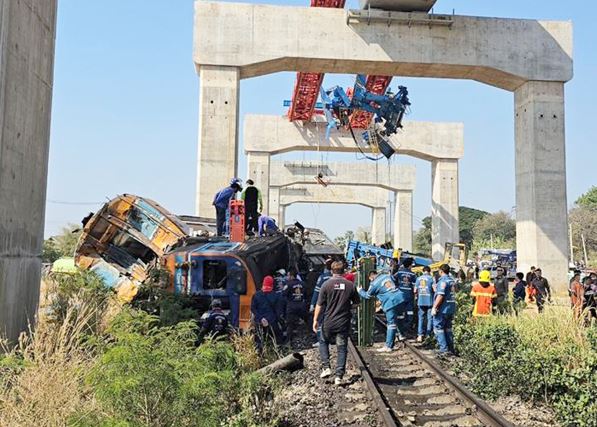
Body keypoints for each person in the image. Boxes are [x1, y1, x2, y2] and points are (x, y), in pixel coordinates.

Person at [313, 261, 360, 385]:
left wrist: (315, 320)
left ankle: (326, 367)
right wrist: (347, 307)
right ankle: (339, 376)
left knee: (323, 341)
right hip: (343, 322)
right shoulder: (350, 285)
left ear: (331, 271)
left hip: (329, 321)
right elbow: (356, 304)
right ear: (343, 271)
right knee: (342, 348)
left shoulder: (326, 285)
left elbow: (319, 304)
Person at [359, 269, 407, 352]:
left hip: (390, 302)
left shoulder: (374, 284)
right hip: (401, 297)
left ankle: (388, 346)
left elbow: (367, 296)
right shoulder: (387, 276)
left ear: (371, 277)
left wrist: (360, 290)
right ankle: (401, 335)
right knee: (399, 317)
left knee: (391, 324)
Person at [251, 275, 285, 351]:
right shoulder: (276, 296)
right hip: (272, 323)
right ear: (272, 285)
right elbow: (278, 312)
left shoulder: (256, 295)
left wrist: (261, 319)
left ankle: (260, 355)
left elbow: (253, 309)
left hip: (259, 322)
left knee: (259, 343)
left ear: (263, 284)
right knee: (277, 341)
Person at [432, 264, 457, 356]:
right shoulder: (452, 281)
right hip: (451, 308)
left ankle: (443, 349)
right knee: (448, 328)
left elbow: (440, 295)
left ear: (441, 271)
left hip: (443, 309)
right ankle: (450, 348)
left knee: (438, 328)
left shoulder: (442, 281)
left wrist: (434, 307)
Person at [284, 268, 310, 343]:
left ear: (292, 276)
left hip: (291, 306)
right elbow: (307, 295)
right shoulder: (303, 284)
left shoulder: (288, 284)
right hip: (301, 305)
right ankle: (312, 333)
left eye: (288, 275)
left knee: (289, 324)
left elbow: (283, 295)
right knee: (308, 319)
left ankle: (288, 341)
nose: (287, 277)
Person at [393, 258, 417, 332]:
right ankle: (408, 326)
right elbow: (415, 285)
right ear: (410, 266)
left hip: (400, 295)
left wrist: (396, 286)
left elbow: (392, 279)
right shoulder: (412, 274)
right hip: (409, 295)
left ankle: (399, 328)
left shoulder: (399, 272)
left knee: (400, 312)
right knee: (409, 311)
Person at [414, 266, 434, 342]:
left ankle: (420, 335)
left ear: (423, 271)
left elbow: (415, 290)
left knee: (421, 318)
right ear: (429, 271)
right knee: (429, 318)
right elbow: (435, 289)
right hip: (429, 301)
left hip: (421, 301)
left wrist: (417, 296)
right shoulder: (432, 278)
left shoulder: (418, 279)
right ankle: (428, 335)